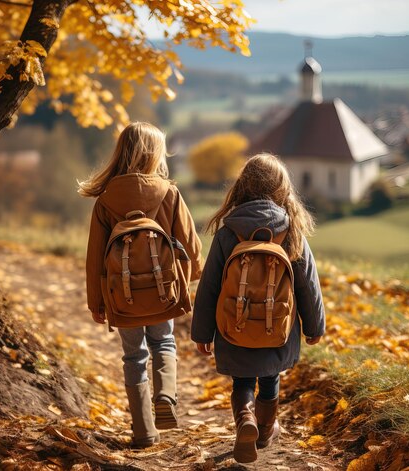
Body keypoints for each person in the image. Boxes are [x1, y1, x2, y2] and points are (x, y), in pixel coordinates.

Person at [191, 153, 325, 463]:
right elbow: (307, 284)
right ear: (282, 190)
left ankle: (245, 420)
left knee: (242, 381)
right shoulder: (291, 231)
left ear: (242, 188)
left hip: (233, 326)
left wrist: (202, 332)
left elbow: (210, 285)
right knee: (269, 378)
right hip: (276, 327)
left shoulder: (228, 233)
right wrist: (315, 327)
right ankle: (265, 430)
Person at [79, 122, 202, 448]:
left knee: (133, 356)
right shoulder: (169, 193)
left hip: (124, 295)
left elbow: (95, 259)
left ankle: (143, 431)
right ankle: (166, 396)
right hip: (163, 291)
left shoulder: (105, 201)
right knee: (164, 344)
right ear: (154, 154)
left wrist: (97, 303)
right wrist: (188, 279)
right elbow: (192, 246)